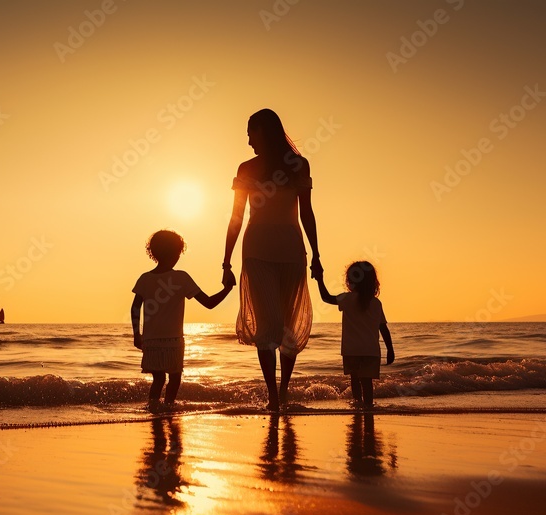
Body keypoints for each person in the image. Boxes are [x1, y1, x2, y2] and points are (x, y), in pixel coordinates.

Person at [222, 109, 323, 411]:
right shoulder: (246, 168)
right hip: (257, 251)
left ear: (265, 131)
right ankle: (273, 396)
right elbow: (236, 217)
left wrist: (317, 255)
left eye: (251, 131)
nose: (248, 139)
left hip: (292, 250)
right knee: (269, 325)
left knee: (289, 327)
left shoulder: (298, 165)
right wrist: (225, 261)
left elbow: (307, 213)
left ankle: (284, 389)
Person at [131, 230, 235, 411]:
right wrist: (227, 289)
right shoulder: (181, 278)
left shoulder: (145, 279)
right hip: (173, 340)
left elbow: (135, 308)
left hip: (152, 340)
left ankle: (154, 408)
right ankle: (168, 407)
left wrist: (136, 334)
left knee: (158, 379)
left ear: (153, 252)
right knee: (175, 377)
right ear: (177, 253)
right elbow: (209, 303)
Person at [315, 261, 395, 409]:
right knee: (367, 382)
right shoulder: (375, 303)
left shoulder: (347, 299)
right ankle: (368, 407)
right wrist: (390, 349)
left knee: (355, 379)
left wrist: (320, 280)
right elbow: (383, 328)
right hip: (370, 350)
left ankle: (358, 405)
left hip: (351, 349)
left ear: (351, 280)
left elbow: (326, 297)